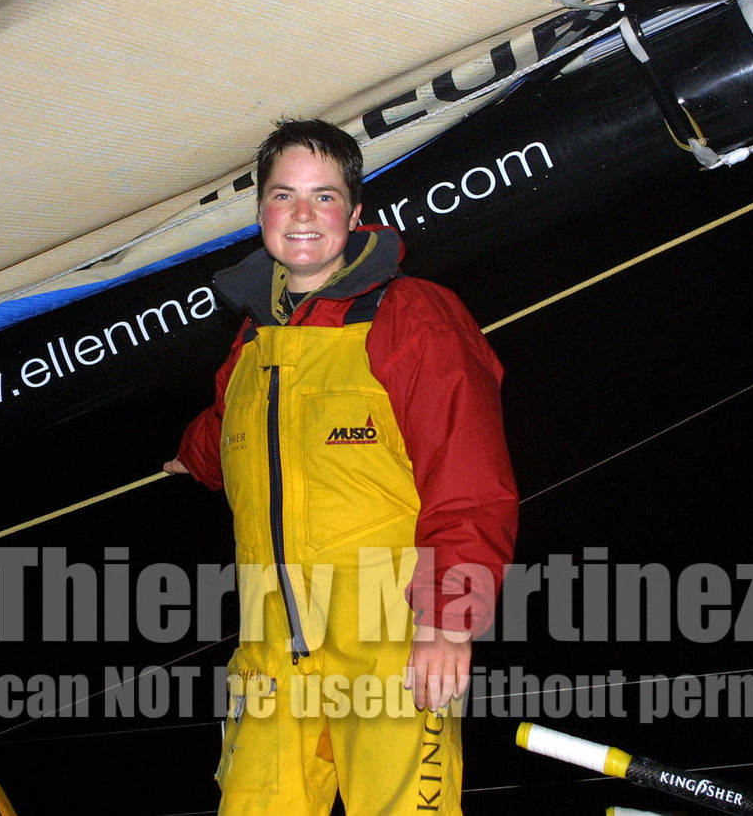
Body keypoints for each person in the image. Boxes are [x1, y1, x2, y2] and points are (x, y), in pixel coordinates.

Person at [164, 118, 518, 815]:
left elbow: (471, 479)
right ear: (261, 212)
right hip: (272, 655)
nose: (302, 214)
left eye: (323, 196)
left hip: (388, 644)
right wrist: (192, 458)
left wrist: (447, 624)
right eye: (283, 195)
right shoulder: (251, 341)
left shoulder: (411, 315)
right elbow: (229, 430)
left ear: (355, 215)